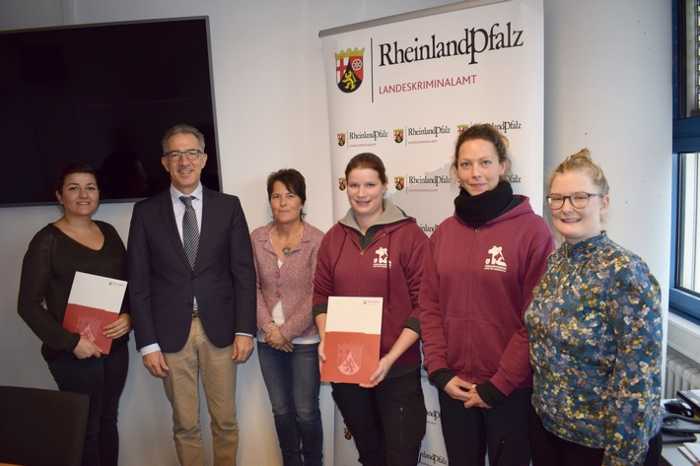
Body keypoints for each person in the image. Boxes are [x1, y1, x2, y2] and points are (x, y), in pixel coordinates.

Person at [419, 123, 554, 466]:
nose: (475, 173)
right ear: (456, 171)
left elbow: (535, 319)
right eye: (466, 164)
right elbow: (430, 306)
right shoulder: (445, 233)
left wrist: (499, 384)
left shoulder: (532, 231)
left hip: (509, 391)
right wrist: (439, 371)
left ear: (503, 166)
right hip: (455, 387)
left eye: (485, 162)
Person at [127, 123, 256, 466]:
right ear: (165, 162)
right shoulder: (145, 213)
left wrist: (245, 329)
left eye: (191, 153)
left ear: (204, 159)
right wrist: (147, 343)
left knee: (225, 421)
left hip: (222, 330)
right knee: (185, 424)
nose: (184, 161)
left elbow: (243, 272)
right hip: (170, 335)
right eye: (175, 154)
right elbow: (138, 282)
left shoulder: (229, 206)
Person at [525, 149, 662, 466]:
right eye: (557, 198)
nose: (566, 208)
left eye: (579, 197)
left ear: (604, 202)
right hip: (550, 432)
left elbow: (639, 383)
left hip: (601, 446)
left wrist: (622, 457)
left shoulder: (626, 272)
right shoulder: (556, 262)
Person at [314, 152, 428, 466]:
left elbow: (424, 305)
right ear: (345, 187)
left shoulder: (410, 236)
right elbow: (321, 296)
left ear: (384, 186)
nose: (361, 193)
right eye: (354, 185)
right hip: (348, 368)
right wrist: (326, 338)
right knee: (371, 455)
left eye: (369, 184)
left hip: (397, 368)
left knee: (400, 457)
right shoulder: (333, 238)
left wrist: (390, 358)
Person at [18, 163, 131, 466]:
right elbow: (27, 305)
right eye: (73, 187)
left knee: (108, 420)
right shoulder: (47, 240)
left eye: (90, 187)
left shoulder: (109, 232)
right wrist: (71, 343)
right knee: (86, 428)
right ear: (59, 196)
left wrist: (128, 317)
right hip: (72, 354)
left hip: (114, 348)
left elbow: (128, 284)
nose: (83, 194)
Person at [251, 168, 324, 466]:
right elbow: (250, 286)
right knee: (281, 411)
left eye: (289, 195)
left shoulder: (318, 239)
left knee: (306, 412)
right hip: (267, 340)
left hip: (305, 340)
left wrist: (287, 332)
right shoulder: (256, 238)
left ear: (302, 201)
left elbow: (316, 292)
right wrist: (269, 328)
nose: (282, 202)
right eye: (276, 196)